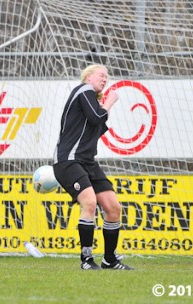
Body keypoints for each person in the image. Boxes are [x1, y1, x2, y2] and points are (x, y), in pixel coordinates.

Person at [52, 64, 133, 270]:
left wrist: (102, 107)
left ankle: (110, 260)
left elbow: (95, 125)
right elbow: (97, 117)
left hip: (87, 161)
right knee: (89, 202)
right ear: (88, 77)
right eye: (101, 75)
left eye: (107, 77)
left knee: (113, 207)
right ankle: (86, 259)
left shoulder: (91, 101)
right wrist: (108, 104)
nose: (105, 79)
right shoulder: (84, 89)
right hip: (68, 160)